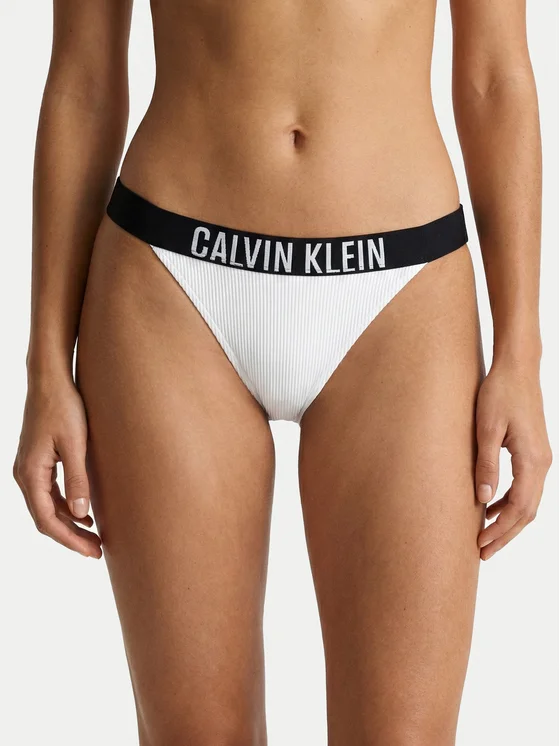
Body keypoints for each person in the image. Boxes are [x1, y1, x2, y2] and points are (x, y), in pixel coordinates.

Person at [13, 0, 552, 744]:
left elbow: (495, 76)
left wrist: (521, 354)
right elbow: (84, 79)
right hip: (172, 282)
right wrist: (45, 363)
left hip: (402, 296)